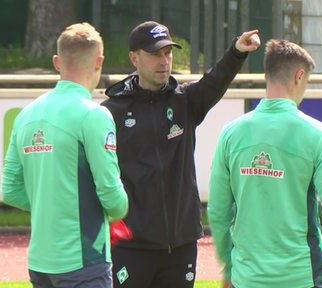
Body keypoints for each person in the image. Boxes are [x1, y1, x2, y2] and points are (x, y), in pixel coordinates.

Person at [100, 20, 260, 288]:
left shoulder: (184, 101)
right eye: (154, 54)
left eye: (167, 53)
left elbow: (214, 81)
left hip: (181, 245)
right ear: (134, 58)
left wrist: (237, 51)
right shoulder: (110, 112)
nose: (164, 61)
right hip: (131, 245)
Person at [207, 39, 322, 288]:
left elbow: (218, 212)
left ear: (268, 73)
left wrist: (229, 269)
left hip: (246, 278)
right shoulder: (319, 134)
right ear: (299, 76)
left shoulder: (230, 133)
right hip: (303, 277)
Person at [1, 22, 129, 288]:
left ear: (57, 61)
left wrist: (51, 205)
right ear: (99, 61)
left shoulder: (27, 114)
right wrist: (118, 210)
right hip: (83, 259)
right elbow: (112, 197)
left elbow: (10, 190)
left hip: (40, 262)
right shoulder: (93, 115)